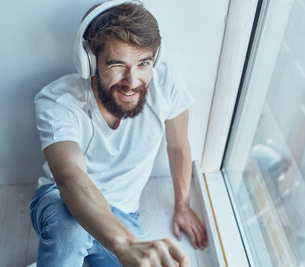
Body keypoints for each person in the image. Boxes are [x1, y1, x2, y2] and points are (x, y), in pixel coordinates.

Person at [29, 0, 207, 266]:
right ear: (89, 62)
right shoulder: (57, 101)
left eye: (143, 63)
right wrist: (127, 244)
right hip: (59, 200)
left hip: (124, 215)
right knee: (72, 231)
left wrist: (182, 205)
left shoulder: (167, 83)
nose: (132, 81)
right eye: (117, 65)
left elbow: (178, 146)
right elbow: (69, 178)